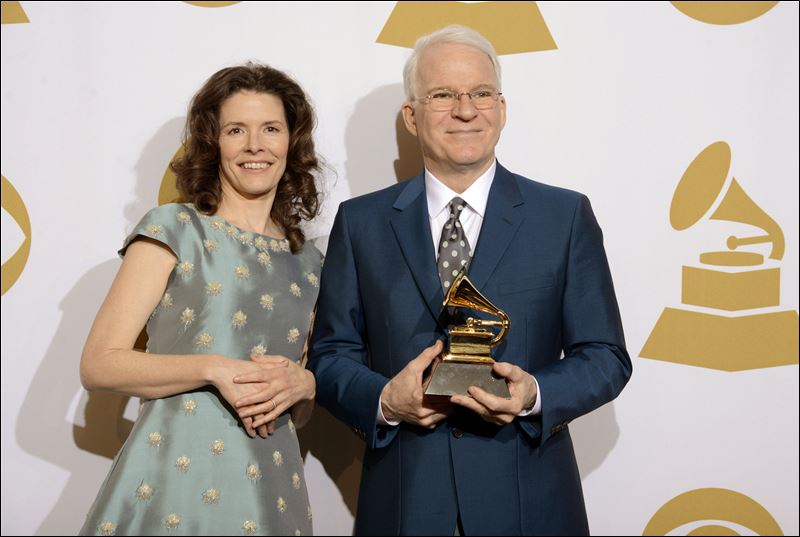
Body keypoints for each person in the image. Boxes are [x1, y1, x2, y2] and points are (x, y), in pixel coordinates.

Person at [307, 25, 632, 535]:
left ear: (501, 109)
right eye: (442, 95)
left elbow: (605, 356)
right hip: (406, 505)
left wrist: (533, 394)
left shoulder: (563, 216)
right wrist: (386, 400)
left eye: (481, 93)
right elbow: (329, 358)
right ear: (411, 116)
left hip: (530, 506)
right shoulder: (361, 223)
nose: (465, 110)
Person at [79, 62, 322, 536]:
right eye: (236, 130)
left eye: (271, 129)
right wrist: (213, 367)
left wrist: (305, 386)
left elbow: (298, 408)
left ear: (292, 142)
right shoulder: (173, 229)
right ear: (214, 143)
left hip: (271, 489)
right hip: (171, 484)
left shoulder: (309, 262)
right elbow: (98, 364)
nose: (255, 145)